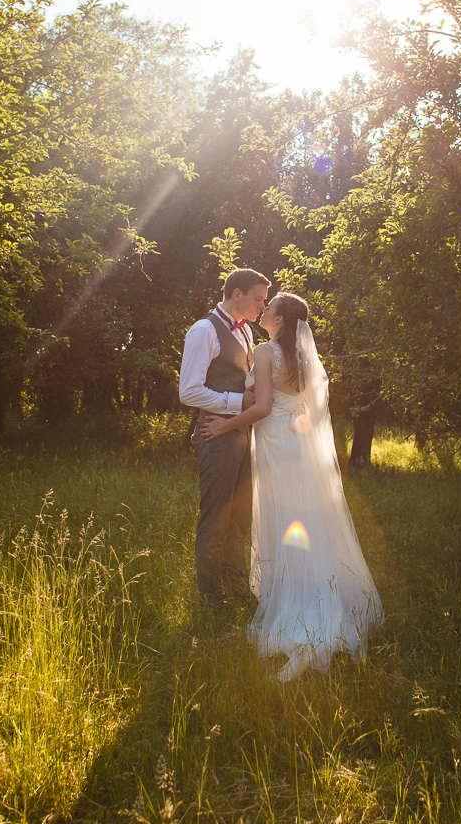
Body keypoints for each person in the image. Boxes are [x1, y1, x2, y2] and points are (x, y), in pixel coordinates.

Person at [199, 292, 383, 681]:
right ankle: (320, 591)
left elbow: (264, 407)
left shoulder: (267, 352)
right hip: (296, 444)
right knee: (304, 519)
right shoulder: (300, 356)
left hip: (276, 444)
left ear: (279, 319)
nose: (262, 311)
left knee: (284, 520)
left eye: (268, 308)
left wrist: (223, 423)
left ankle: (295, 605)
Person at [178, 268, 269, 609]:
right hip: (215, 434)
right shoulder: (204, 330)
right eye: (257, 299)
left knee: (241, 516)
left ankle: (238, 590)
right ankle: (212, 599)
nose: (262, 305)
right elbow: (189, 391)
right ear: (237, 295)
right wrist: (236, 403)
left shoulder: (245, 333)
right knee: (217, 517)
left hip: (243, 433)